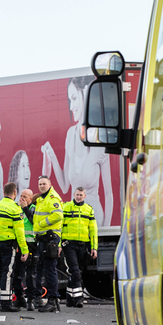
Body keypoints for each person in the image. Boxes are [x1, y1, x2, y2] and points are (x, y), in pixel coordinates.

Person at [40, 76, 114, 227]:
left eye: (74, 98)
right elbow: (65, 186)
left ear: (85, 94)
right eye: (69, 100)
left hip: (95, 221)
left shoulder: (100, 139)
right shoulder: (70, 135)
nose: (71, 106)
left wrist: (106, 229)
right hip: (73, 222)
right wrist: (52, 156)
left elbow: (108, 194)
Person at [0, 182, 28, 313]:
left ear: (4, 193)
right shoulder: (15, 209)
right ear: (14, 193)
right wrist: (24, 250)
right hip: (7, 244)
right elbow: (20, 232)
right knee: (7, 272)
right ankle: (6, 303)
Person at [62, 186, 98, 307]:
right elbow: (59, 227)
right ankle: (78, 298)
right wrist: (59, 245)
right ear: (74, 194)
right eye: (77, 195)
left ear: (84, 196)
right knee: (75, 271)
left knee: (77, 272)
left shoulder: (88, 209)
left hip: (83, 245)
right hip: (69, 245)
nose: (78, 197)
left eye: (81, 195)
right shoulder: (65, 207)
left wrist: (94, 247)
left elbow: (93, 230)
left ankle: (69, 298)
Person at [33, 175, 64, 313]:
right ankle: (47, 299)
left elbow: (58, 215)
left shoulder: (52, 198)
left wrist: (41, 224)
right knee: (43, 269)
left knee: (50, 270)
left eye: (44, 184)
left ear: (50, 184)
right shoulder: (42, 199)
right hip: (43, 238)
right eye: (40, 184)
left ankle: (52, 300)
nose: (41, 186)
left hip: (50, 238)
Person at [12, 188, 38, 310]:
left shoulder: (34, 208)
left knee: (31, 275)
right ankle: (20, 298)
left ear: (31, 199)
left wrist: (25, 208)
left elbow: (34, 221)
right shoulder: (16, 208)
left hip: (31, 244)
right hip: (18, 244)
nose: (21, 199)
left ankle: (31, 300)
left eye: (25, 197)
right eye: (21, 196)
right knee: (16, 273)